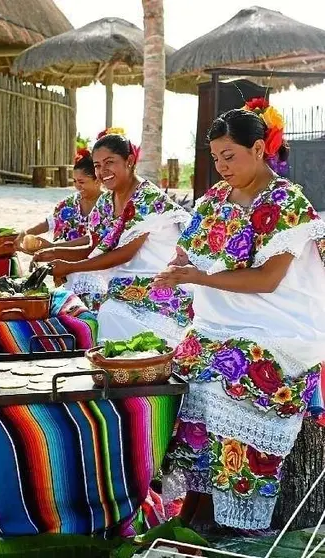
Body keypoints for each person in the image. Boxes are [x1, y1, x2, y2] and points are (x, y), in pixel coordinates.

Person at [154, 100, 325, 533]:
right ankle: (197, 504)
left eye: (229, 157)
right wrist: (179, 265)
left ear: (258, 149)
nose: (221, 167)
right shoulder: (215, 198)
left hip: (279, 327)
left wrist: (198, 277)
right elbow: (190, 247)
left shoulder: (286, 202)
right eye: (215, 159)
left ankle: (231, 517)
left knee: (240, 366)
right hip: (218, 322)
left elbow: (268, 279)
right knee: (185, 368)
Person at [34, 132, 193, 347]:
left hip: (158, 279)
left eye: (110, 163)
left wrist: (69, 266)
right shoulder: (106, 201)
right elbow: (94, 246)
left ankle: (130, 366)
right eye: (98, 165)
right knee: (75, 286)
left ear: (129, 162)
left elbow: (123, 253)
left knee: (110, 312)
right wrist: (54, 253)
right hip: (124, 279)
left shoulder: (148, 198)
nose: (102, 171)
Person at [16, 150, 105, 311]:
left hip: (96, 263)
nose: (78, 186)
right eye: (75, 181)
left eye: (82, 182)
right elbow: (49, 222)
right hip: (65, 263)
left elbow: (90, 240)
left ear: (97, 180)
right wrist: (25, 232)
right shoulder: (70, 203)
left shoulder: (108, 204)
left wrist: (53, 248)